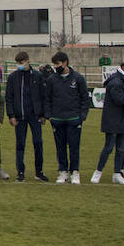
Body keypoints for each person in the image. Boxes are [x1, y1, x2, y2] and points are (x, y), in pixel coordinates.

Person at [43, 51, 89, 184]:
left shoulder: (78, 78)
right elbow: (48, 99)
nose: (55, 67)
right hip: (57, 120)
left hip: (74, 119)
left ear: (65, 63)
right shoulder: (52, 79)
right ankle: (63, 172)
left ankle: (75, 172)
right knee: (60, 147)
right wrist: (49, 116)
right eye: (54, 64)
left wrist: (82, 116)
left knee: (74, 147)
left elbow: (84, 98)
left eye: (57, 64)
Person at [93, 63, 124, 184]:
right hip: (113, 120)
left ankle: (117, 173)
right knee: (108, 147)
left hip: (123, 120)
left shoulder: (122, 81)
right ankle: (98, 171)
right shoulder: (116, 82)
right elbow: (120, 99)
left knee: (121, 148)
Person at [5, 52, 47, 182]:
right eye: (18, 63)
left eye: (22, 63)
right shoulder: (13, 77)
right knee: (20, 144)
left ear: (28, 61)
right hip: (20, 116)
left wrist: (44, 114)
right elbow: (9, 97)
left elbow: (43, 96)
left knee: (38, 143)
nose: (20, 65)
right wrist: (11, 115)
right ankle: (20, 172)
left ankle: (39, 171)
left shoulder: (38, 76)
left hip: (35, 116)